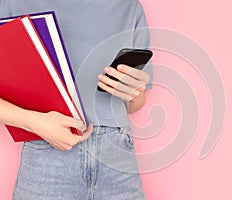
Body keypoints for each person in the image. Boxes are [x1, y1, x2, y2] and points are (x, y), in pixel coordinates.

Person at [0, 0, 152, 199]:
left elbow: (134, 105)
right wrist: (34, 122)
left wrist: (134, 92)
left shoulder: (128, 6)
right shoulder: (12, 4)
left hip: (118, 157)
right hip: (46, 155)